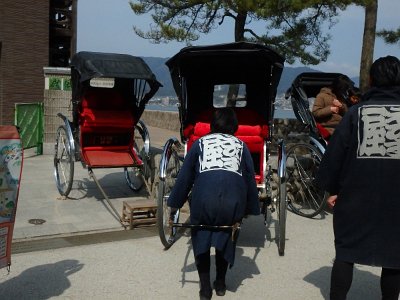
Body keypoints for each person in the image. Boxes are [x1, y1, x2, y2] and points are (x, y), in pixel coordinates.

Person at [316, 56, 400, 300]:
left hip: (355, 196)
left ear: (371, 80)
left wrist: (332, 188)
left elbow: (335, 155)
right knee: (395, 256)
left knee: (346, 251)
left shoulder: (356, 113)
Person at [167, 107, 260, 300]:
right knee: (226, 237)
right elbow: (250, 179)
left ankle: (204, 289)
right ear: (234, 126)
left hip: (203, 201)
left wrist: (175, 203)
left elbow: (185, 177)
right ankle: (220, 283)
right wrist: (250, 208)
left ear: (213, 125)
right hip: (232, 203)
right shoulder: (241, 146)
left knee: (201, 237)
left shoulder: (200, 143)